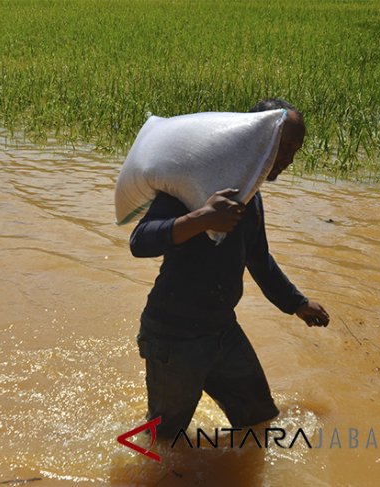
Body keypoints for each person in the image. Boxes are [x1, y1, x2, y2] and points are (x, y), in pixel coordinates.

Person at [130, 98, 329, 439]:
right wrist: (201, 218)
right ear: (257, 141)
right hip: (174, 338)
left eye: (296, 150)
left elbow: (259, 260)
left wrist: (296, 303)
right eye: (286, 147)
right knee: (163, 440)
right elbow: (140, 241)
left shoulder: (252, 195)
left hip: (222, 332)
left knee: (259, 418)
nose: (290, 159)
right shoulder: (194, 182)